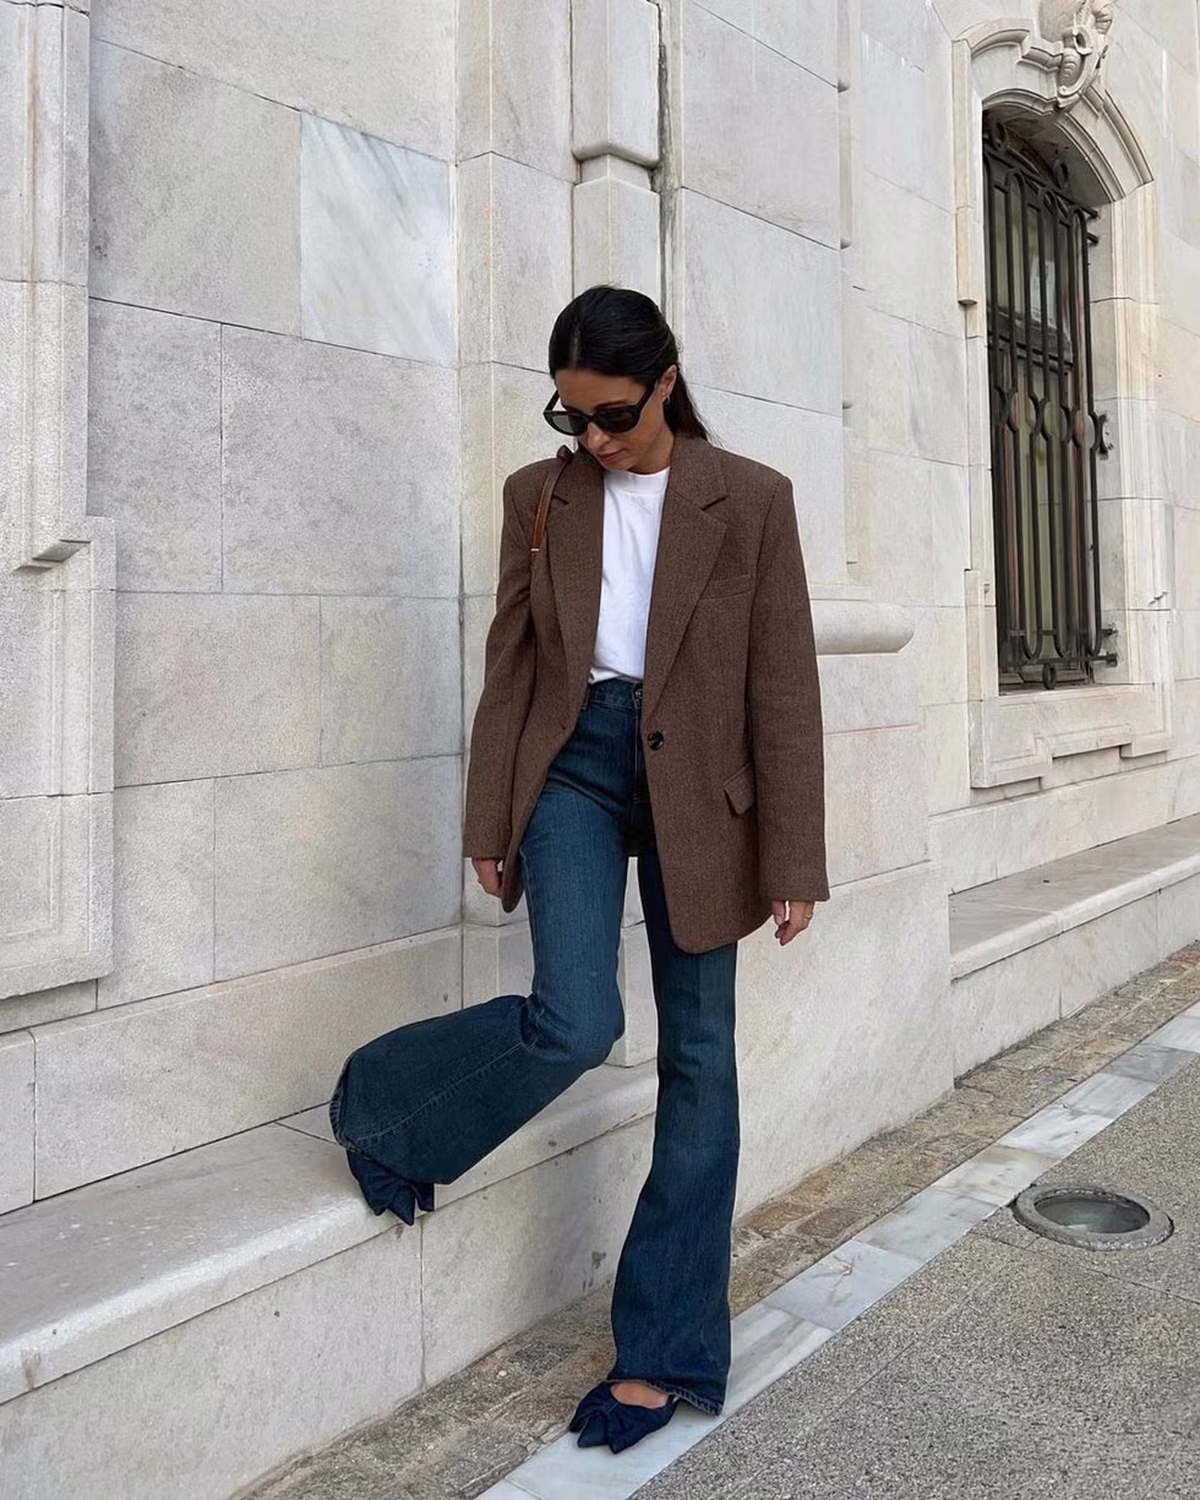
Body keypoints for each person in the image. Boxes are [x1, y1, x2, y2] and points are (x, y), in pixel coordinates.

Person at [329, 285, 828, 1454]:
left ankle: (662, 1353)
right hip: (577, 768)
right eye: (570, 417)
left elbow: (784, 682)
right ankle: (386, 1106)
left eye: (611, 414)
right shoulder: (540, 498)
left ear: (665, 384)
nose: (592, 438)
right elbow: (511, 663)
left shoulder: (751, 498)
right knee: (575, 1020)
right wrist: (490, 812)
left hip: (704, 788)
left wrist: (795, 853)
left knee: (700, 1060)